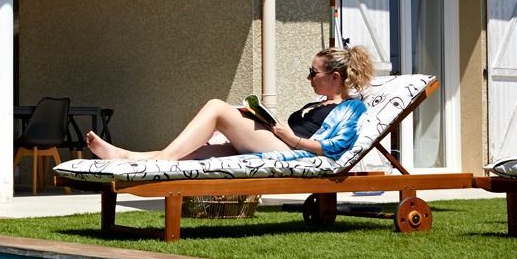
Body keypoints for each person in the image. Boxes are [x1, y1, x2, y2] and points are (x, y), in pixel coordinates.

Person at [85, 45, 375, 163]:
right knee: (201, 151)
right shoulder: (316, 104)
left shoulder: (351, 108)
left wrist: (294, 139)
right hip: (279, 142)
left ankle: (161, 161)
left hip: (295, 152)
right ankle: (127, 156)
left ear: (335, 77)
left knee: (216, 107)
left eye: (314, 73)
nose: (308, 77)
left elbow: (335, 147)